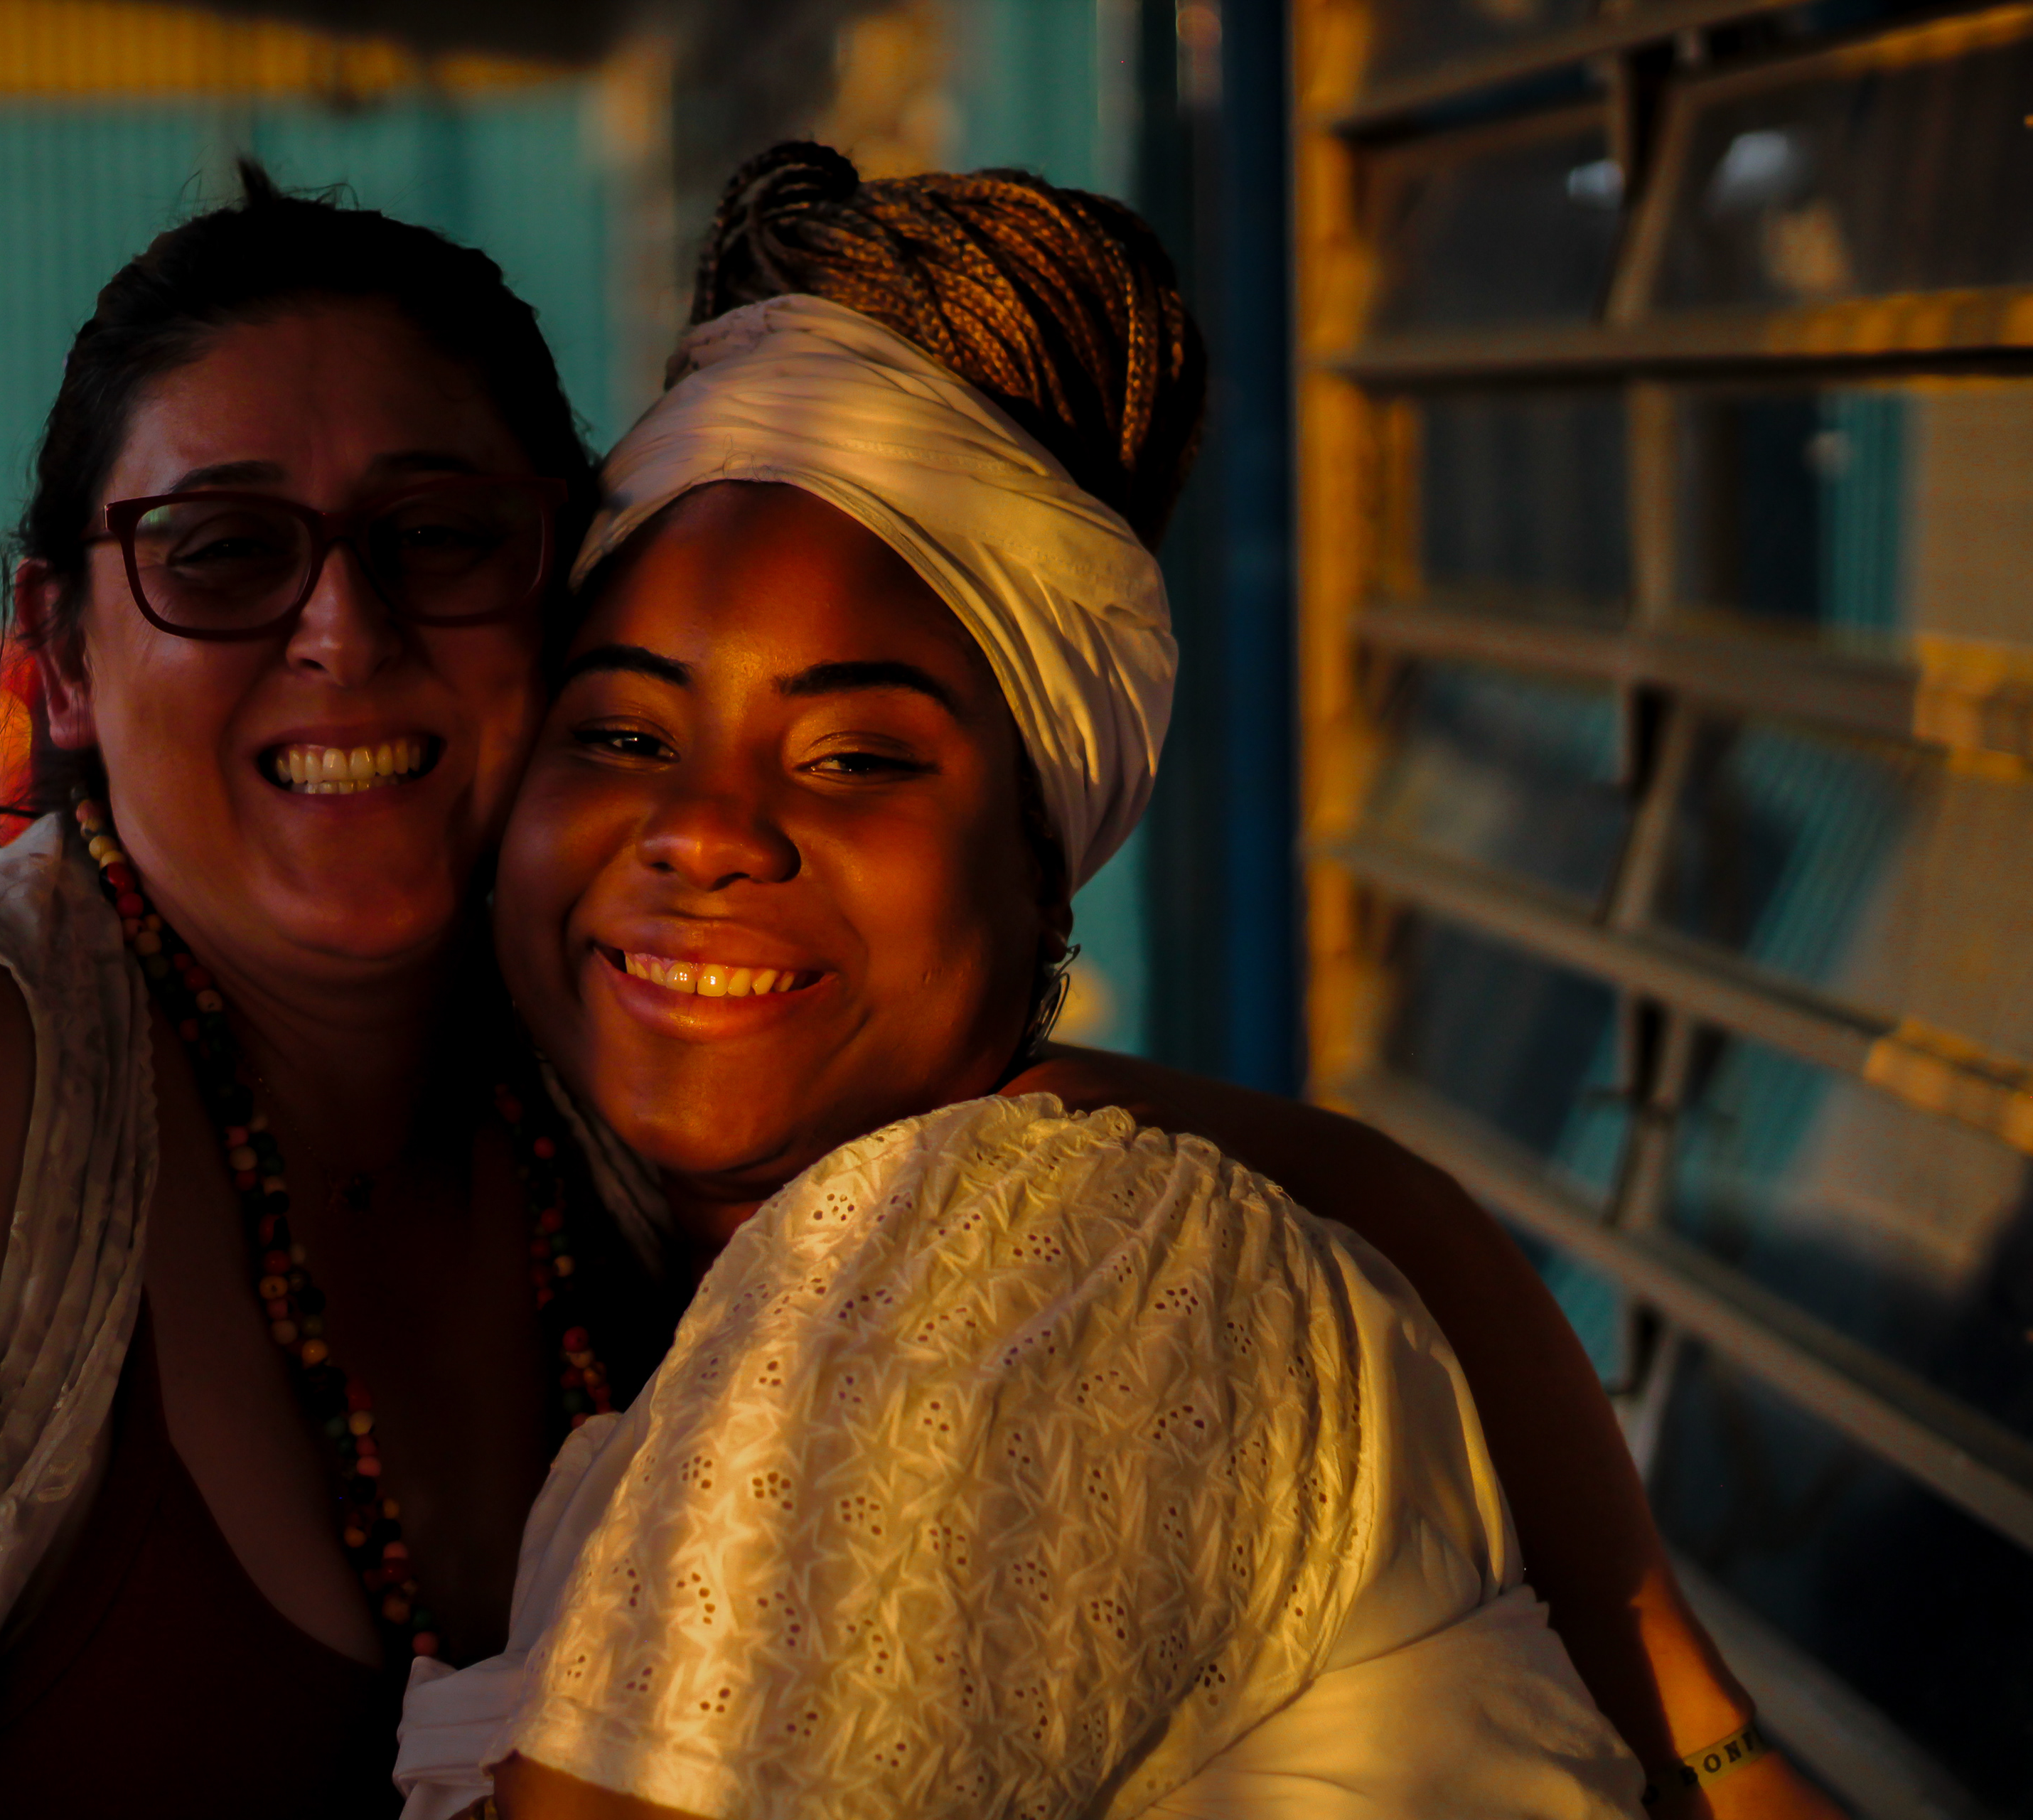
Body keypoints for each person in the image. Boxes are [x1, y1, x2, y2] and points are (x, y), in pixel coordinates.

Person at [0, 160, 1779, 1820]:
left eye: (445, 538)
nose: (341, 626)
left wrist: (1680, 1696)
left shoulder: (641, 1102)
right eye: (219, 551)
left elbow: (1173, 1180)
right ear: (56, 648)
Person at [397, 145, 1839, 1820]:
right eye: (625, 734)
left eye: (858, 756)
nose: (704, 831)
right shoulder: (831, 1232)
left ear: (1043, 862)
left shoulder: (997, 1263)